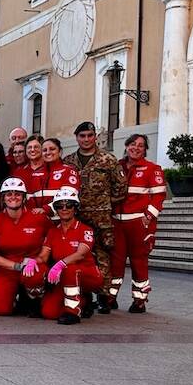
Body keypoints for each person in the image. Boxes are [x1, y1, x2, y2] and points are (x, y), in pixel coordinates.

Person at [62, 122, 126, 313]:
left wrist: (105, 201)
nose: (86, 139)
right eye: (82, 136)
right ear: (77, 138)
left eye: (90, 135)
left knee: (102, 256)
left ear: (95, 137)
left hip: (100, 217)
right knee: (78, 255)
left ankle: (104, 296)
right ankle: (84, 295)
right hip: (76, 216)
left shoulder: (108, 159)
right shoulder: (68, 161)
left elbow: (121, 186)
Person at [109, 134, 165, 312]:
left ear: (145, 149)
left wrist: (149, 215)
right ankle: (109, 297)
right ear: (126, 146)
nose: (136, 148)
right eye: (133, 144)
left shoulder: (152, 169)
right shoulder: (116, 166)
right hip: (117, 223)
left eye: (141, 145)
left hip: (138, 223)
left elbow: (159, 195)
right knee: (115, 262)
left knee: (138, 262)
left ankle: (140, 300)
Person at [0, 178, 50, 317]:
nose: (13, 197)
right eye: (9, 194)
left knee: (34, 277)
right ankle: (13, 296)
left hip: (33, 266)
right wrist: (17, 266)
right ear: (3, 198)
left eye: (17, 194)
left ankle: (33, 299)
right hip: (8, 268)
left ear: (24, 197)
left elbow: (50, 243)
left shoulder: (39, 218)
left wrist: (38, 260)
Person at [38, 187, 102, 325]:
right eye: (60, 206)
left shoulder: (85, 229)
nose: (64, 209)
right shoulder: (53, 232)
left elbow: (80, 254)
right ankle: (82, 301)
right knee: (49, 313)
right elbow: (43, 256)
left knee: (70, 268)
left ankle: (73, 312)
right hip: (64, 277)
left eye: (69, 205)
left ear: (76, 208)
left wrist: (60, 264)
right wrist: (33, 262)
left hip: (88, 275)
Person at [32, 138, 81, 217]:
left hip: (61, 220)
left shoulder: (68, 171)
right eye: (44, 150)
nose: (48, 152)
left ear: (60, 152)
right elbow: (30, 199)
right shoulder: (35, 174)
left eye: (52, 149)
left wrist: (46, 209)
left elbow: (70, 196)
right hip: (39, 220)